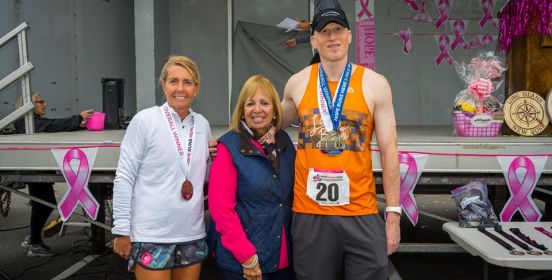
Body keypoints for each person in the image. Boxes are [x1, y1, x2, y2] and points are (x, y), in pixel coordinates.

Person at [281, 7, 401, 280]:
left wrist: (393, 215)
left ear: (349, 36)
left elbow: (389, 151)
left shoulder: (375, 84)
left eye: (338, 30)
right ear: (313, 40)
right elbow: (268, 125)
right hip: (310, 213)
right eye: (324, 32)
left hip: (361, 210)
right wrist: (228, 140)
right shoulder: (297, 84)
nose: (332, 37)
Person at [111, 55, 211, 280]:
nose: (180, 88)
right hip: (151, 235)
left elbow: (200, 172)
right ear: (163, 84)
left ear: (196, 88)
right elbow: (125, 177)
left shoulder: (202, 125)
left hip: (191, 234)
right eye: (173, 81)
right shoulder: (145, 120)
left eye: (187, 82)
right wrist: (122, 230)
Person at [208, 75, 296, 280]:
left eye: (264, 103)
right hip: (244, 261)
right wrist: (247, 256)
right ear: (242, 110)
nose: (257, 109)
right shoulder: (228, 147)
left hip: (284, 258)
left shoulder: (285, 143)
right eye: (250, 103)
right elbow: (221, 211)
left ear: (274, 110)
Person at [15, 92, 94, 257]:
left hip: (37, 168)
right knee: (43, 204)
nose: (45, 104)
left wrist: (76, 124)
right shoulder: (26, 122)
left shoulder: (32, 122)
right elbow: (53, 125)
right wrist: (77, 118)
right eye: (40, 101)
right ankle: (35, 243)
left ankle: (33, 239)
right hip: (34, 170)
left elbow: (52, 126)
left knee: (44, 204)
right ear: (29, 105)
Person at [284, 0, 343, 65]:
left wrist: (310, 25)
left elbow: (331, 22)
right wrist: (297, 40)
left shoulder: (325, 1)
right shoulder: (320, 3)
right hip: (326, 52)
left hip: (329, 52)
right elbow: (319, 34)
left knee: (311, 73)